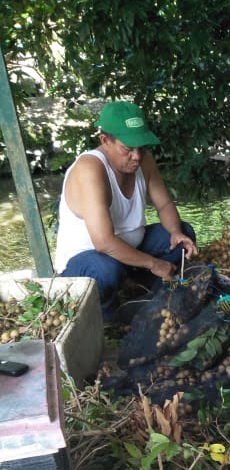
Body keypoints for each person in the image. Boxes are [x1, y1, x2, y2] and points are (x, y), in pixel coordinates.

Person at [54, 101, 198, 321]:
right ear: (105, 141)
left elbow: (164, 205)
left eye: (141, 147)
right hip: (87, 263)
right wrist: (154, 263)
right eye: (128, 149)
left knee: (182, 236)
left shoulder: (144, 161)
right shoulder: (90, 169)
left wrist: (176, 232)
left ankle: (143, 293)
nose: (137, 156)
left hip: (128, 251)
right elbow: (103, 243)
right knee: (106, 270)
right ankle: (107, 320)